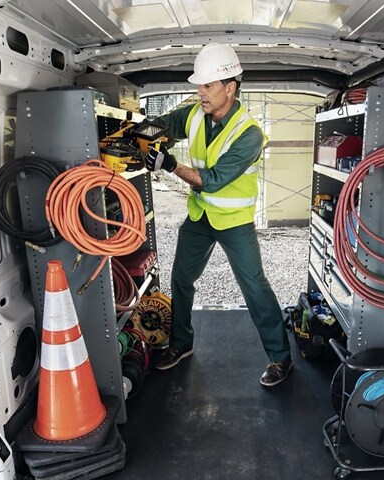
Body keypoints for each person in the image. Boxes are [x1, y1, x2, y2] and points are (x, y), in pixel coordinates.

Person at [143, 43, 292, 387]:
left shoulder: (249, 134)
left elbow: (211, 181)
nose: (201, 92)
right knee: (181, 278)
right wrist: (146, 134)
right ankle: (181, 345)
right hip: (200, 218)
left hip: (234, 222)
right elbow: (165, 123)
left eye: (208, 85)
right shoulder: (195, 114)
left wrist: (169, 164)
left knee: (254, 287)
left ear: (231, 87)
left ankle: (280, 358)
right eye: (199, 85)